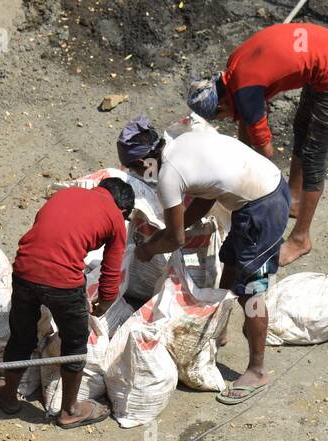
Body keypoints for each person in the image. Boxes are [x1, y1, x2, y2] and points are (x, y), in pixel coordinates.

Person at [117, 116, 288, 405]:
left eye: (136, 168)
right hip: (263, 191)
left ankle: (257, 370)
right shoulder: (180, 144)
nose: (139, 174)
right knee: (230, 263)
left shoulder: (169, 176)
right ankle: (217, 329)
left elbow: (175, 241)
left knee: (251, 291)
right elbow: (207, 196)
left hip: (263, 206)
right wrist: (177, 227)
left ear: (146, 160)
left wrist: (149, 249)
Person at [186, 22, 328, 265]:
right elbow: (246, 127)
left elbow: (265, 152)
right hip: (323, 57)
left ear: (222, 106)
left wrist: (249, 187)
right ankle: (293, 200)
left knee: (313, 154)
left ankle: (301, 239)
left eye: (221, 117)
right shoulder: (234, 70)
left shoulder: (246, 92)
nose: (227, 119)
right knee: (301, 128)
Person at [0, 178, 133, 428]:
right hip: (63, 282)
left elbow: (45, 238)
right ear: (123, 210)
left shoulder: (66, 195)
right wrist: (103, 304)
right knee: (75, 343)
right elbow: (111, 275)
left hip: (24, 269)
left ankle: (9, 394)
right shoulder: (116, 218)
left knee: (21, 336)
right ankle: (70, 410)